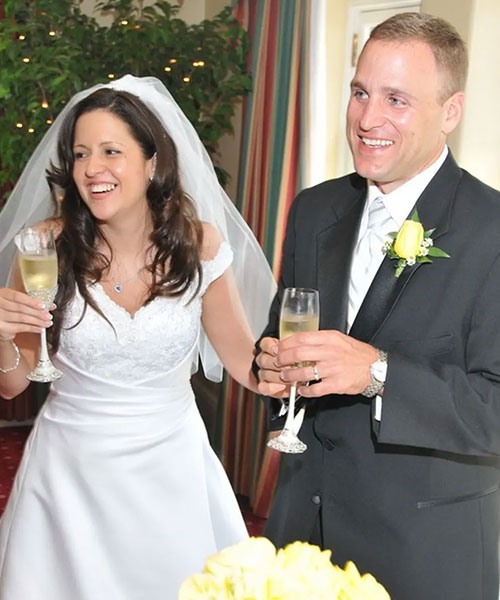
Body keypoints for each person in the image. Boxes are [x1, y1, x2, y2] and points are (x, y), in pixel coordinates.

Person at [0, 75, 276, 600]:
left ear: (152, 163)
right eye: (81, 154)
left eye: (111, 151)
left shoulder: (200, 246)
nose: (92, 169)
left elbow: (246, 362)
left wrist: (297, 366)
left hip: (171, 472)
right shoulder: (43, 247)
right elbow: (14, 383)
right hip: (69, 476)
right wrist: (2, 332)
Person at [256, 12, 500, 600]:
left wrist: (378, 374)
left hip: (422, 554)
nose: (368, 119)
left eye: (397, 99)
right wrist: (267, 369)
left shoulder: (491, 230)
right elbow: (283, 336)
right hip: (302, 539)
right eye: (360, 92)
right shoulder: (314, 209)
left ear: (450, 111)